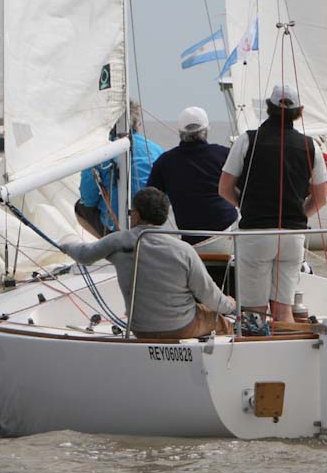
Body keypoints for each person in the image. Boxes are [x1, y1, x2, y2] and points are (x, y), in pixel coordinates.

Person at [60, 187, 236, 339]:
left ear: (136, 215)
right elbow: (209, 295)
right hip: (181, 328)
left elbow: (84, 255)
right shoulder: (183, 250)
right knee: (222, 322)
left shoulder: (118, 242)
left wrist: (65, 246)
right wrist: (230, 305)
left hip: (141, 330)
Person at [218, 84, 327, 323]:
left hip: (255, 234)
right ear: (300, 111)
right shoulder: (311, 146)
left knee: (254, 312)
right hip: (292, 236)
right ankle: (286, 344)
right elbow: (321, 198)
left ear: (268, 107)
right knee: (283, 310)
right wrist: (300, 215)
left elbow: (224, 188)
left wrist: (246, 206)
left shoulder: (247, 140)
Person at [146, 106, 236, 246]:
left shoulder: (164, 162)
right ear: (206, 130)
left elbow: (150, 201)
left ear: (180, 132)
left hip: (191, 240)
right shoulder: (224, 154)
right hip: (227, 233)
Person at [75, 102, 164, 238]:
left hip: (116, 227)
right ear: (137, 123)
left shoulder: (100, 153)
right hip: (152, 225)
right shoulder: (157, 150)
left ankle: (109, 244)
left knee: (80, 208)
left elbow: (88, 199)